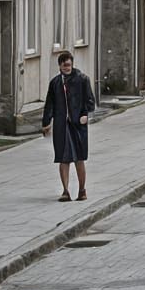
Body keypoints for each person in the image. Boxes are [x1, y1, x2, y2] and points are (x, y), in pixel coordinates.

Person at [41, 50, 96, 200]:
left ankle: (82, 190)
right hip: (61, 125)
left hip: (78, 124)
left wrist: (85, 115)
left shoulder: (82, 79)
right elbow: (49, 104)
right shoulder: (55, 83)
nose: (67, 68)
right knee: (63, 158)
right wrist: (46, 123)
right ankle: (65, 191)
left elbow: (90, 101)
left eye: (69, 65)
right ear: (59, 66)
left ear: (72, 64)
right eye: (64, 65)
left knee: (79, 158)